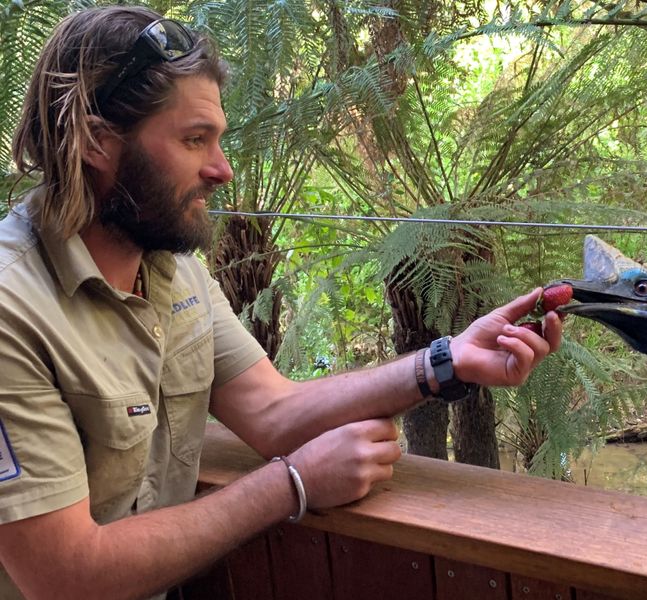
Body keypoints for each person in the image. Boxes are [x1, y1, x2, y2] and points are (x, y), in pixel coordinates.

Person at [0, 6, 563, 600]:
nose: (222, 170)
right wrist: (291, 484)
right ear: (95, 142)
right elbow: (67, 575)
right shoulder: (13, 307)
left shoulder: (173, 270)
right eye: (195, 140)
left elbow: (272, 411)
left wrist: (444, 363)